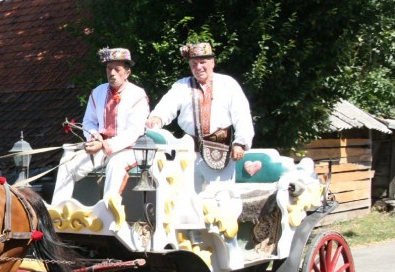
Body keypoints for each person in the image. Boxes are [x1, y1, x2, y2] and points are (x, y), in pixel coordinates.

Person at [145, 41, 254, 192]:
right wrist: (156, 118)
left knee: (220, 197)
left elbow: (241, 115)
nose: (198, 67)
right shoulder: (182, 86)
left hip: (220, 150)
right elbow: (166, 106)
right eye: (194, 63)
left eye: (203, 62)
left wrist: (241, 143)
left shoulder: (228, 84)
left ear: (213, 62)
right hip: (190, 150)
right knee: (187, 199)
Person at [52, 47, 150, 204]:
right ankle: (57, 213)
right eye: (108, 69)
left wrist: (104, 145)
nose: (112, 73)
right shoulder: (98, 92)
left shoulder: (137, 95)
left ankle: (108, 214)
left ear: (127, 73)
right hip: (101, 146)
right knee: (67, 163)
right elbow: (88, 121)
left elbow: (134, 132)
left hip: (129, 149)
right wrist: (93, 136)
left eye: (117, 69)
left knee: (115, 165)